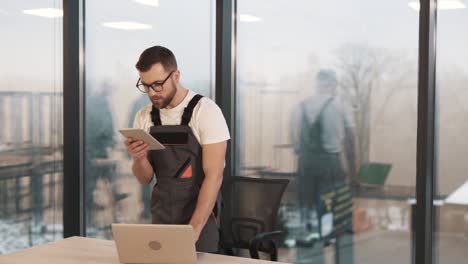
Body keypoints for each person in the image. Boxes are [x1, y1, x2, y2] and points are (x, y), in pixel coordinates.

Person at [124, 46, 230, 253]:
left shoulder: (206, 112)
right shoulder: (144, 116)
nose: (152, 92)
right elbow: (144, 178)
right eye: (145, 86)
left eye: (157, 84)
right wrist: (138, 159)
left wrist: (195, 229)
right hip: (162, 213)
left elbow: (215, 176)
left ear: (176, 76)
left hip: (200, 216)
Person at [290, 69, 356, 237]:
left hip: (306, 162)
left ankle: (309, 237)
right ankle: (328, 237)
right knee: (330, 205)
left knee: (307, 203)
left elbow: (295, 140)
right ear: (332, 84)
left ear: (317, 84)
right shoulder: (340, 106)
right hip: (330, 162)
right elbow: (350, 140)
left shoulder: (300, 107)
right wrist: (353, 172)